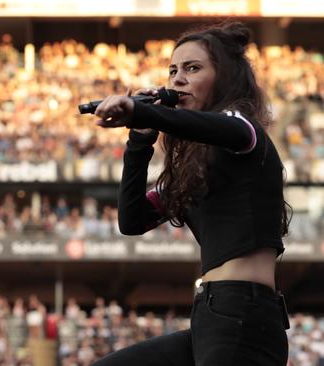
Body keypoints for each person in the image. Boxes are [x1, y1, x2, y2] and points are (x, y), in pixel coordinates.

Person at [91, 22, 291, 365]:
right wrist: (140, 137)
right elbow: (132, 220)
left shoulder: (243, 130)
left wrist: (141, 109)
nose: (177, 79)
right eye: (172, 71)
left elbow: (218, 128)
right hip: (210, 315)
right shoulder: (194, 169)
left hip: (245, 313)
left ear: (224, 77)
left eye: (192, 68)